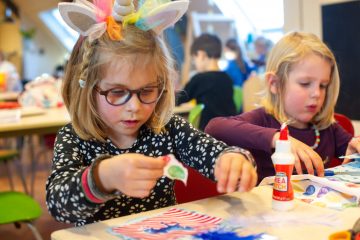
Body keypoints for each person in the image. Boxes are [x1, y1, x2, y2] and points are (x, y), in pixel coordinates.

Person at [46, 0, 257, 226]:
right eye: (117, 92)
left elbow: (215, 152)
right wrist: (102, 177)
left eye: (147, 91)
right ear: (87, 88)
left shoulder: (168, 128)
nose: (134, 107)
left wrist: (234, 159)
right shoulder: (74, 137)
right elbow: (58, 205)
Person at [205, 31, 360, 183]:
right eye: (305, 84)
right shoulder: (262, 120)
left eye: (323, 85)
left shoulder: (327, 129)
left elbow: (352, 149)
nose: (317, 94)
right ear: (274, 84)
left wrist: (356, 150)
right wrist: (278, 138)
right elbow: (214, 127)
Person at [176, 33, 236, 130]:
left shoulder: (200, 79)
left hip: (210, 132)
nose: (195, 63)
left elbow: (179, 99)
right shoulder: (227, 78)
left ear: (201, 55)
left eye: (194, 59)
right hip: (230, 130)